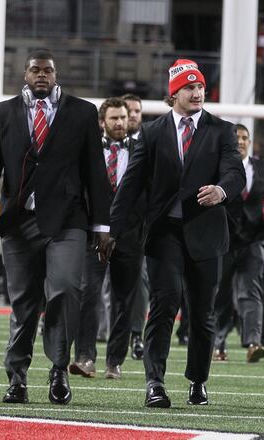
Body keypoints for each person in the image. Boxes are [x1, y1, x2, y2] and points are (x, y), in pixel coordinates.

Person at [0, 48, 111, 405]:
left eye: (48, 70)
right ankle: (17, 377)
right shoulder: (2, 113)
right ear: (26, 74)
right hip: (18, 222)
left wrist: (103, 225)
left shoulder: (82, 112)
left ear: (56, 74)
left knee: (64, 290)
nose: (42, 75)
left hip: (68, 222)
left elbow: (96, 171)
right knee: (23, 304)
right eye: (36, 70)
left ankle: (59, 369)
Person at [105, 58, 244, 408]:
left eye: (200, 87)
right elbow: (131, 185)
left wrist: (222, 191)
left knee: (201, 312)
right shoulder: (151, 133)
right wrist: (112, 230)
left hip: (206, 233)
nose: (197, 92)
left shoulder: (221, 130)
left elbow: (235, 173)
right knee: (164, 303)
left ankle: (198, 380)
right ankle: (155, 382)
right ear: (173, 95)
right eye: (189, 88)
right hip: (165, 232)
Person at [69, 97, 145, 381]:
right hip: (95, 235)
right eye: (113, 118)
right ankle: (85, 357)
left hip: (131, 235)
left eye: (123, 118)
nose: (119, 123)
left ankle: (115, 361)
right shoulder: (88, 151)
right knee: (88, 294)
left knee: (125, 300)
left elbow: (147, 192)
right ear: (102, 122)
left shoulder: (142, 149)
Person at [211, 123, 264, 362]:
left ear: (250, 142)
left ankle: (253, 342)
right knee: (221, 294)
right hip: (223, 240)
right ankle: (218, 344)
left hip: (253, 240)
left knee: (251, 291)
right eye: (236, 137)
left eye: (244, 137)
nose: (240, 141)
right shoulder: (217, 166)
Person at [121, 92, 147, 361]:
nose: (132, 115)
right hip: (107, 224)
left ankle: (137, 334)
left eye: (137, 111)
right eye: (128, 111)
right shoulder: (100, 144)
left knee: (140, 282)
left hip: (140, 225)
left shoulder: (150, 141)